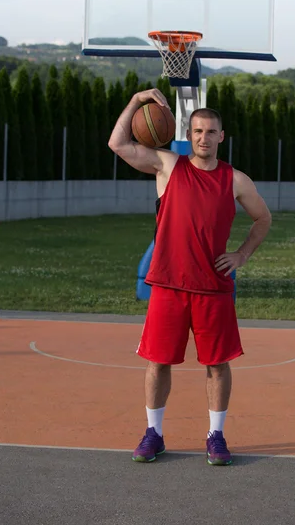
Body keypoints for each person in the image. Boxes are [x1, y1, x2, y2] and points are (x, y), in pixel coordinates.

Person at [108, 88, 272, 465]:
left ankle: (216, 436)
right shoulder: (168, 166)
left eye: (210, 131)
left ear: (221, 136)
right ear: (189, 133)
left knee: (217, 364)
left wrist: (242, 254)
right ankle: (154, 434)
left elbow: (263, 218)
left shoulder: (235, 180)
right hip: (168, 284)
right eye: (197, 131)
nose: (203, 138)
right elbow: (117, 143)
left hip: (213, 287)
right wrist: (136, 101)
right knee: (158, 362)